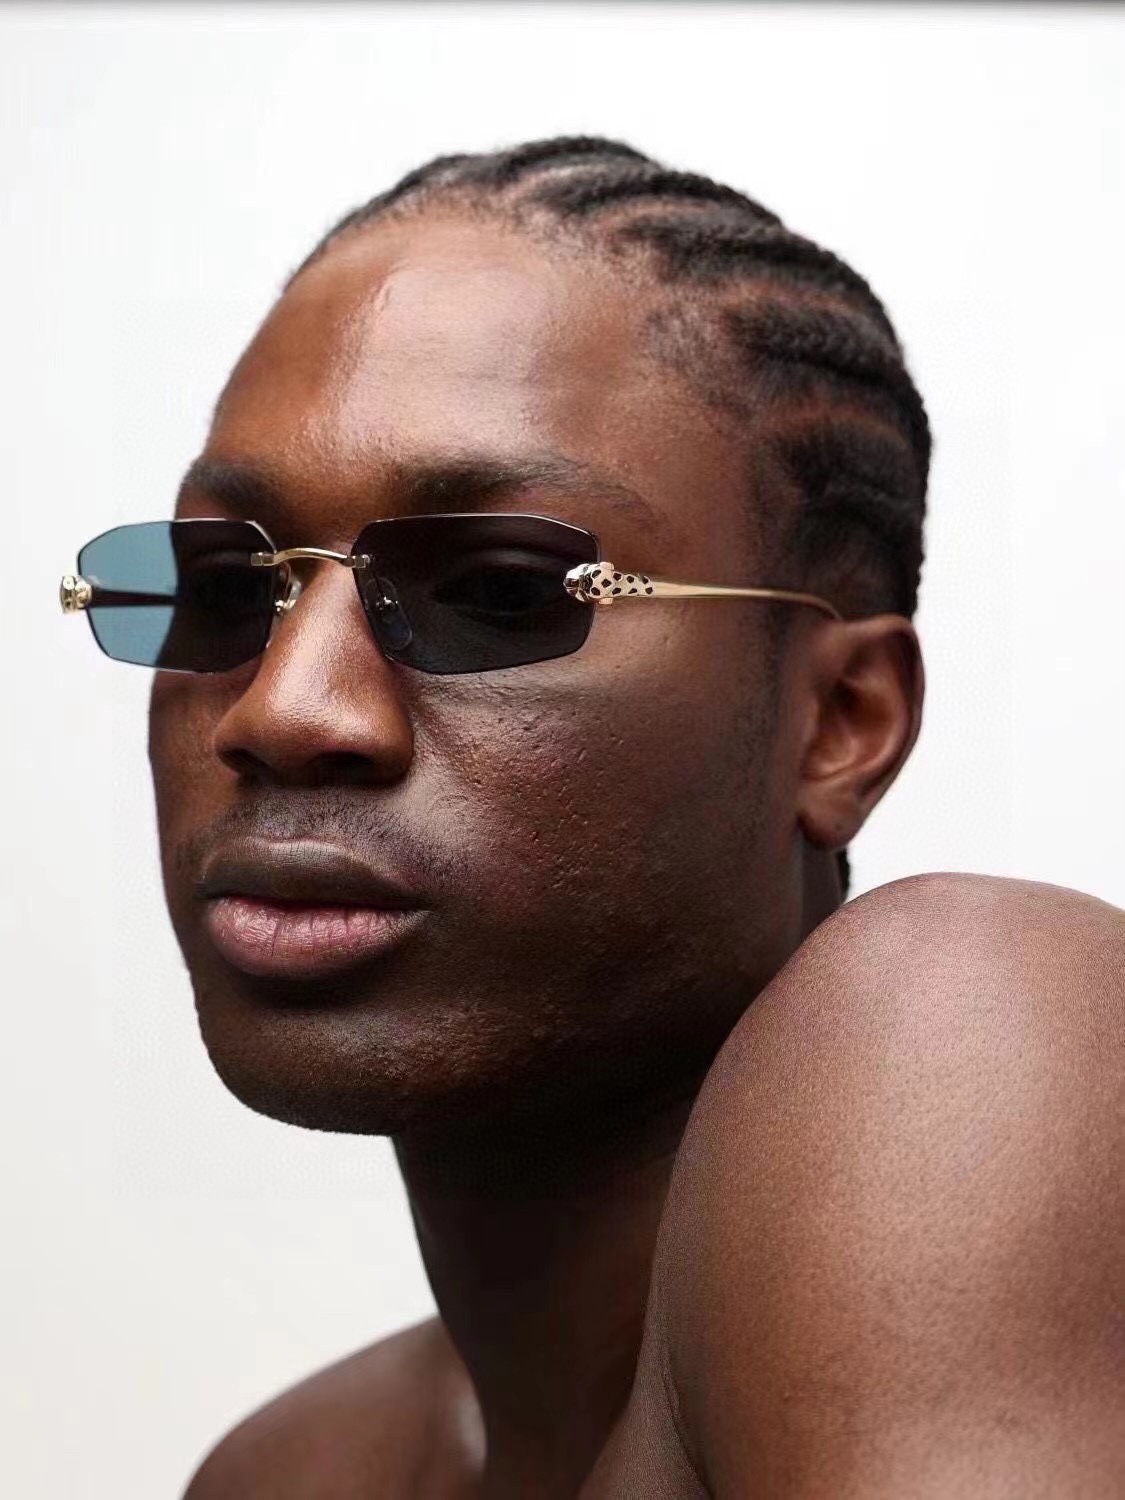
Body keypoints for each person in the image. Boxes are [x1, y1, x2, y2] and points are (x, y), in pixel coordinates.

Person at [61, 136, 1125, 1498]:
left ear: (841, 720)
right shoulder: (294, 1473)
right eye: (224, 590)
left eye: (499, 592)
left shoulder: (962, 1021)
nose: (282, 709)